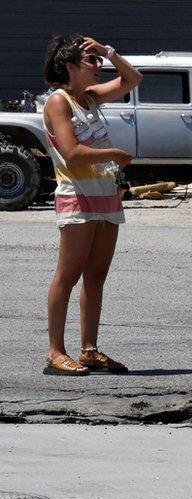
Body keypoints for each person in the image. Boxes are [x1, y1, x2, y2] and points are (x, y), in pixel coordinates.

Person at [41, 35, 142, 376]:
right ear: (70, 68)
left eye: (98, 62)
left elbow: (133, 79)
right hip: (78, 196)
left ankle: (89, 349)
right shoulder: (59, 102)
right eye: (91, 62)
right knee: (67, 275)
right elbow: (71, 153)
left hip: (106, 195)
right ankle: (55, 351)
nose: (98, 67)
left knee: (96, 275)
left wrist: (108, 50)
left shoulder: (90, 97)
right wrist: (114, 154)